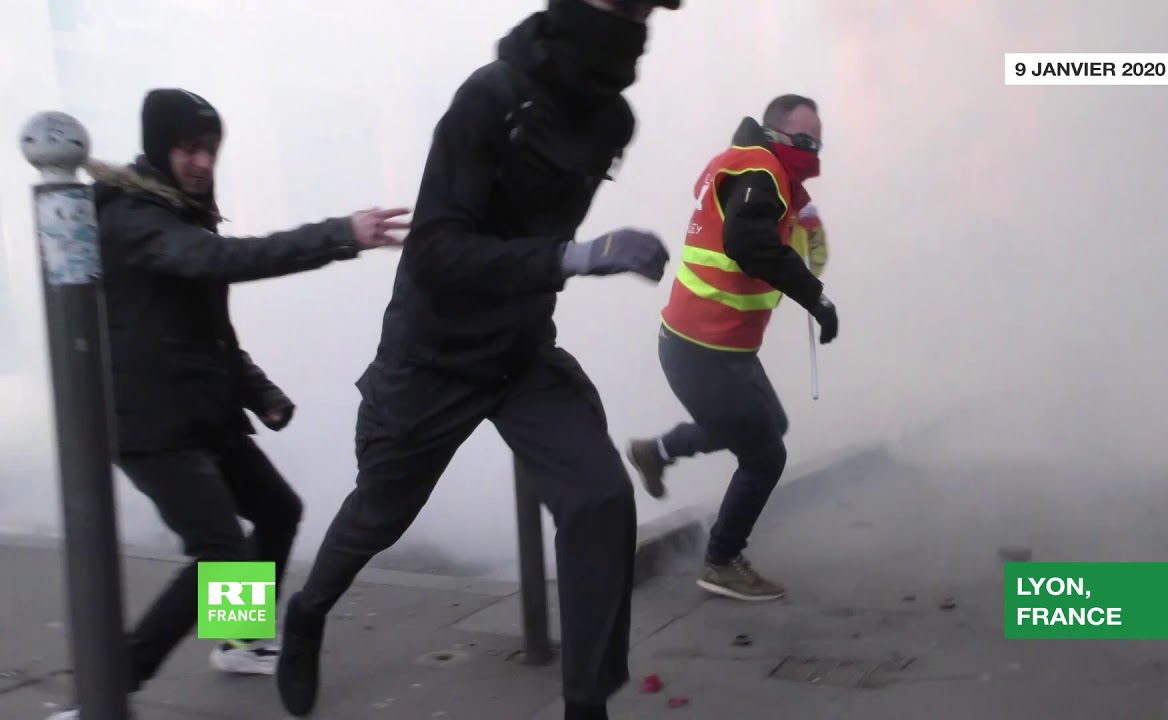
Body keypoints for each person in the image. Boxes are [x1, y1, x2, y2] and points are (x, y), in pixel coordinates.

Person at [273, 2, 679, 719]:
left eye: (647, 7)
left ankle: (586, 704)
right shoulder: (489, 99)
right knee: (293, 524)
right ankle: (278, 622)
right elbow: (222, 259)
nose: (636, 22)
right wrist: (574, 256)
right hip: (416, 365)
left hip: (516, 350)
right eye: (189, 150)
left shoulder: (605, 119)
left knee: (600, 500)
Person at [46, 88, 408, 720]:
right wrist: (339, 235)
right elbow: (226, 261)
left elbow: (207, 329)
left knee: (277, 510)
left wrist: (257, 393)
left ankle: (237, 639)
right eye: (188, 148)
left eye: (210, 149)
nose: (201, 162)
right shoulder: (135, 219)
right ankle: (107, 691)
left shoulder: (182, 212)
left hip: (198, 411)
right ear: (161, 146)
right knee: (219, 552)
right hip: (148, 422)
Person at [625, 94, 839, 603]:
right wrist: (816, 297)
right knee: (765, 454)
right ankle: (721, 561)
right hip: (700, 349)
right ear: (779, 136)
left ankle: (656, 451)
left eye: (819, 142)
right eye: (807, 142)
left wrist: (799, 226)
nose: (814, 153)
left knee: (767, 427)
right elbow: (747, 243)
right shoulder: (760, 172)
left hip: (720, 345)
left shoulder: (761, 171)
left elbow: (758, 235)